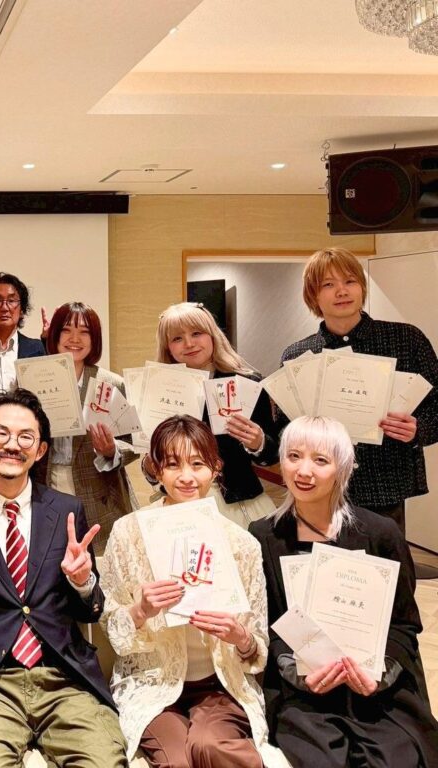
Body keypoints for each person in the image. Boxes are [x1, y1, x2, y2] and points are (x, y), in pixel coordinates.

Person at [0, 388, 127, 767]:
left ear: (40, 450)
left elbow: (90, 611)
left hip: (64, 679)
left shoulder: (67, 511)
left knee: (104, 762)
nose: (12, 445)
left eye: (26, 437)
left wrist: (82, 582)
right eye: (1, 433)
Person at [249, 416, 438, 767]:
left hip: (375, 687)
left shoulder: (380, 533)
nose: (304, 471)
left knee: (397, 756)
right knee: (320, 758)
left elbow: (404, 624)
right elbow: (269, 624)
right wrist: (300, 673)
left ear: (343, 469)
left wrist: (377, 674)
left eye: (320, 460)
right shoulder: (263, 536)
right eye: (294, 456)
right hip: (303, 693)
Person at [101, 414, 286, 768]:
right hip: (153, 684)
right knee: (177, 761)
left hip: (221, 684)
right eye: (173, 465)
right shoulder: (128, 533)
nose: (186, 476)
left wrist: (240, 636)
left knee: (210, 745)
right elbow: (114, 630)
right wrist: (140, 611)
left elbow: (257, 647)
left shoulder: (241, 544)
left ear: (215, 469)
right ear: (156, 469)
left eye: (198, 464)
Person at [280, 247, 438, 535]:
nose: (342, 291)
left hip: (385, 483)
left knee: (385, 561)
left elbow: (436, 407)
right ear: (313, 295)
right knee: (320, 561)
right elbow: (286, 426)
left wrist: (418, 430)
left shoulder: (406, 339)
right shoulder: (297, 355)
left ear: (362, 288)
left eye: (350, 281)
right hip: (318, 487)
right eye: (328, 284)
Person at [151, 302, 278, 527]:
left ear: (212, 335)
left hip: (239, 503)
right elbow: (153, 466)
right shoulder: (158, 390)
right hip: (180, 502)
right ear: (167, 347)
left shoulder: (247, 383)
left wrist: (258, 442)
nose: (189, 343)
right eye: (177, 338)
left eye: (196, 333)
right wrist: (149, 463)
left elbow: (272, 454)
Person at [42, 301, 138, 554]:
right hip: (46, 485)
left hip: (99, 491)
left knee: (103, 562)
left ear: (94, 339)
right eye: (66, 330)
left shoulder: (111, 383)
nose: (75, 339)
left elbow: (133, 442)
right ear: (54, 335)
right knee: (54, 560)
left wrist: (111, 450)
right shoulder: (35, 379)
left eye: (84, 332)